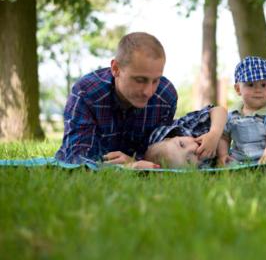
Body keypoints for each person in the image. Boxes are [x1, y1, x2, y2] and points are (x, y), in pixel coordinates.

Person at [55, 32, 178, 169]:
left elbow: (159, 152)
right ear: (116, 69)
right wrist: (126, 167)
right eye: (140, 80)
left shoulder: (166, 97)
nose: (148, 92)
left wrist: (134, 161)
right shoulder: (86, 93)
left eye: (156, 80)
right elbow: (77, 158)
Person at [217, 56, 266, 165]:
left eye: (263, 85)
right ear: (238, 89)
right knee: (228, 164)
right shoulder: (232, 115)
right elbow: (224, 137)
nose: (258, 90)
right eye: (250, 85)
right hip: (239, 159)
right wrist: (223, 154)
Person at [144, 105, 227, 168]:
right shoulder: (203, 167)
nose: (193, 148)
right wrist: (222, 157)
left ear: (171, 138)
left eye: (182, 144)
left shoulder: (189, 126)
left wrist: (214, 134)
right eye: (189, 160)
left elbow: (219, 109)